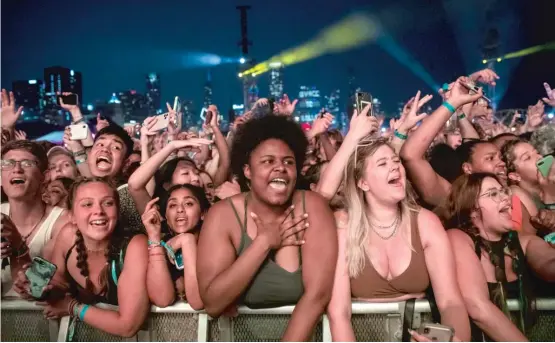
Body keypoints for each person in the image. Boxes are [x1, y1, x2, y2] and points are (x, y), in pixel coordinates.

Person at [197, 115, 337, 341]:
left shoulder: (312, 206)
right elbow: (213, 303)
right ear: (247, 171)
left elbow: (317, 296)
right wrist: (264, 242)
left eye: (289, 162)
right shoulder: (223, 215)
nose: (280, 168)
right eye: (268, 161)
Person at [325, 136, 470, 342]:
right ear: (363, 182)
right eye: (383, 163)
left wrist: (455, 340)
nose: (395, 167)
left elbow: (450, 302)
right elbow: (339, 313)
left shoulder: (425, 223)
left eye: (396, 161)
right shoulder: (344, 225)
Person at [23, 178, 149, 337]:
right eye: (87, 204)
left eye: (108, 203)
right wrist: (34, 287)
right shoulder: (68, 236)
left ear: (117, 210)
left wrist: (72, 307)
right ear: (72, 216)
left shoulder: (136, 245)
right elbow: (57, 284)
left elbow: (128, 326)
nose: (99, 211)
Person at [437, 173, 555, 341]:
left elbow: (550, 265)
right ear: (472, 211)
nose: (506, 198)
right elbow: (478, 308)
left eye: (504, 191)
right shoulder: (458, 239)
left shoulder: (524, 242)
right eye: (493, 194)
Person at [1, 140, 69, 296]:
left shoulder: (62, 223)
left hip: (39, 318)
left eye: (27, 164)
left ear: (44, 177)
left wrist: (18, 245)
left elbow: (35, 288)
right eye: (8, 163)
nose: (17, 169)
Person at [142, 184, 210, 308]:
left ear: (203, 213)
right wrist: (154, 236)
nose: (180, 210)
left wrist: (187, 241)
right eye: (173, 205)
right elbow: (162, 300)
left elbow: (198, 302)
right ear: (166, 217)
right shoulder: (159, 244)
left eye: (188, 203)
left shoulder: (215, 243)